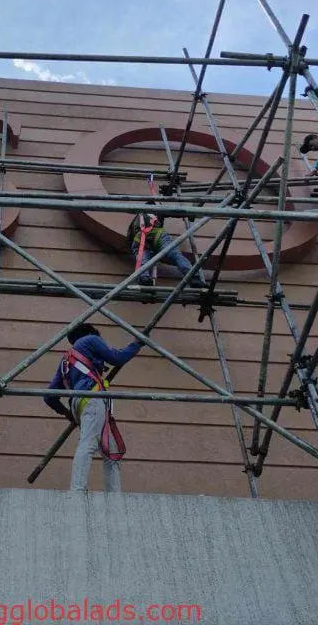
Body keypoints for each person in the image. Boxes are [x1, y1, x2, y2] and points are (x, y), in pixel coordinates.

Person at [43, 323, 142, 492]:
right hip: (92, 397)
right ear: (90, 333)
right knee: (88, 443)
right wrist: (137, 344)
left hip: (80, 405)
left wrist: (67, 414)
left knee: (111, 452)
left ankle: (114, 495)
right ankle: (78, 491)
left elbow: (49, 396)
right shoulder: (91, 340)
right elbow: (117, 358)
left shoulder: (66, 360)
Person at [125, 206, 206, 287]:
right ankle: (194, 278)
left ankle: (144, 278)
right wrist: (189, 213)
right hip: (157, 234)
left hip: (139, 237)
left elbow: (129, 237)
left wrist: (137, 250)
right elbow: (174, 212)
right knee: (176, 256)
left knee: (143, 259)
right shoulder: (157, 209)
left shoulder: (136, 219)